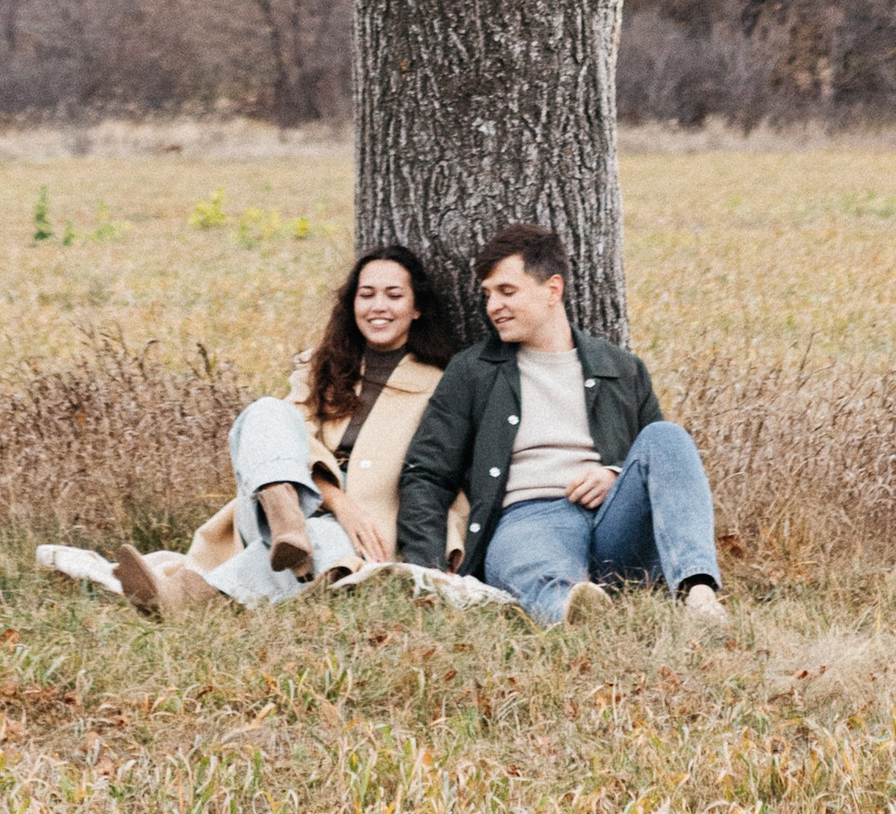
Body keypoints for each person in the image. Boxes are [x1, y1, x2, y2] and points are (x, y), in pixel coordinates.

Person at [395, 221, 728, 628]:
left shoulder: (621, 368)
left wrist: (614, 474)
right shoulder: (473, 371)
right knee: (538, 570)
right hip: (530, 519)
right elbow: (427, 473)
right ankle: (575, 612)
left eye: (507, 291)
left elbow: (657, 465)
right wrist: (429, 566)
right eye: (487, 294)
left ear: (553, 290)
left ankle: (698, 592)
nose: (493, 306)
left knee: (667, 437)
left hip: (614, 521)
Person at [105, 244, 465, 616]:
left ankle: (183, 594)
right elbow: (291, 436)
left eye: (394, 295)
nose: (378, 306)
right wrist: (335, 500)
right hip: (283, 507)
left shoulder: (440, 385)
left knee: (324, 540)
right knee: (267, 410)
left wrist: (445, 547)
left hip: (361, 531)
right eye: (366, 294)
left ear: (417, 308)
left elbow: (442, 476)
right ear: (352, 304)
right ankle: (286, 523)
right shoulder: (319, 366)